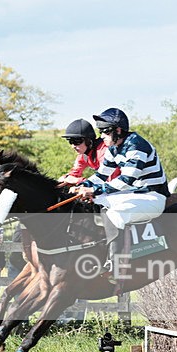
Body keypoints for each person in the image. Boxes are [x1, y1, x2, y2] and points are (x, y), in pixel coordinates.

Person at [72, 108, 170, 273]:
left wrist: (93, 190)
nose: (101, 136)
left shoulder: (137, 145)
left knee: (113, 214)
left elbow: (126, 180)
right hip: (136, 194)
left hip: (153, 197)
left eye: (104, 131)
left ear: (117, 130)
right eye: (100, 131)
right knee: (94, 202)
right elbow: (102, 175)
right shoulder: (114, 147)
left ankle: (115, 263)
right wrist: (84, 186)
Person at [58, 118, 119, 186]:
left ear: (88, 140)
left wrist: (79, 181)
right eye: (70, 142)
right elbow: (74, 173)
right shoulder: (83, 155)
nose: (73, 146)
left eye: (76, 141)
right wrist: (66, 177)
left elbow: (109, 183)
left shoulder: (104, 151)